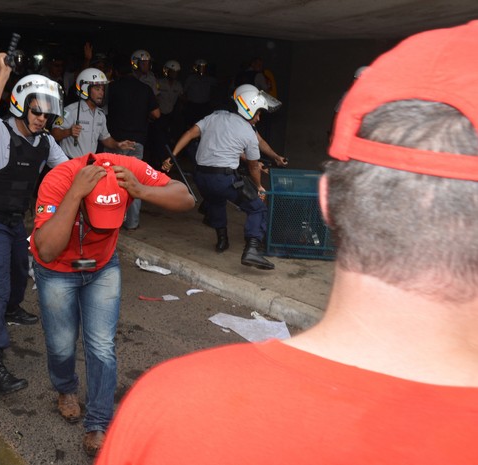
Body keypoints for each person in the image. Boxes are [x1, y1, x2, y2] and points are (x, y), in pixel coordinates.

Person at [96, 20, 478, 465]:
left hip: (204, 177)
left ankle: (220, 236)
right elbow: (254, 161)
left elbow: (203, 134)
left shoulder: (166, 406)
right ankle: (250, 246)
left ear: (328, 202)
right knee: (251, 206)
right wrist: (260, 184)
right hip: (227, 177)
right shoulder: (242, 129)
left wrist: (174, 154)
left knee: (216, 206)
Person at [30, 151, 195, 457]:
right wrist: (75, 194)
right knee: (61, 344)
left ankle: (98, 423)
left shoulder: (126, 169)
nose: (104, 227)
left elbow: (186, 199)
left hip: (102, 266)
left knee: (102, 345)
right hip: (57, 269)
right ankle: (66, 388)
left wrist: (140, 190)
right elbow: (48, 249)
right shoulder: (59, 179)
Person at [0, 52, 69, 397]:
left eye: (47, 111)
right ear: (20, 106)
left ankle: (13, 307)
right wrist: (4, 72)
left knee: (18, 271)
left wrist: (111, 171)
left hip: (15, 222)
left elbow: (68, 171)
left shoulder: (45, 142)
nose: (43, 117)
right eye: (36, 109)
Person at [162, 84, 283, 268]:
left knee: (216, 200)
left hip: (201, 178)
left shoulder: (215, 117)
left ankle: (222, 241)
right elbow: (252, 167)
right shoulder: (248, 132)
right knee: (257, 208)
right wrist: (258, 187)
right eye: (258, 113)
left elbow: (189, 133)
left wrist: (171, 157)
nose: (259, 118)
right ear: (248, 108)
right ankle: (252, 250)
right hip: (223, 179)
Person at [107, 55, 160, 230]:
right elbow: (157, 114)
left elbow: (102, 108)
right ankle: (132, 222)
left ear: (115, 72)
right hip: (138, 142)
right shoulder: (145, 89)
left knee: (114, 182)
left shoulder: (112, 88)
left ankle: (112, 220)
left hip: (117, 142)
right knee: (134, 183)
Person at [51, 67, 135, 158]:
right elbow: (54, 134)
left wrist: (117, 145)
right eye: (97, 89)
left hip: (89, 164)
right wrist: (68, 132)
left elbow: (105, 138)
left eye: (103, 89)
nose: (101, 93)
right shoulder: (70, 111)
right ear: (85, 89)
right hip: (70, 162)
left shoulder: (100, 115)